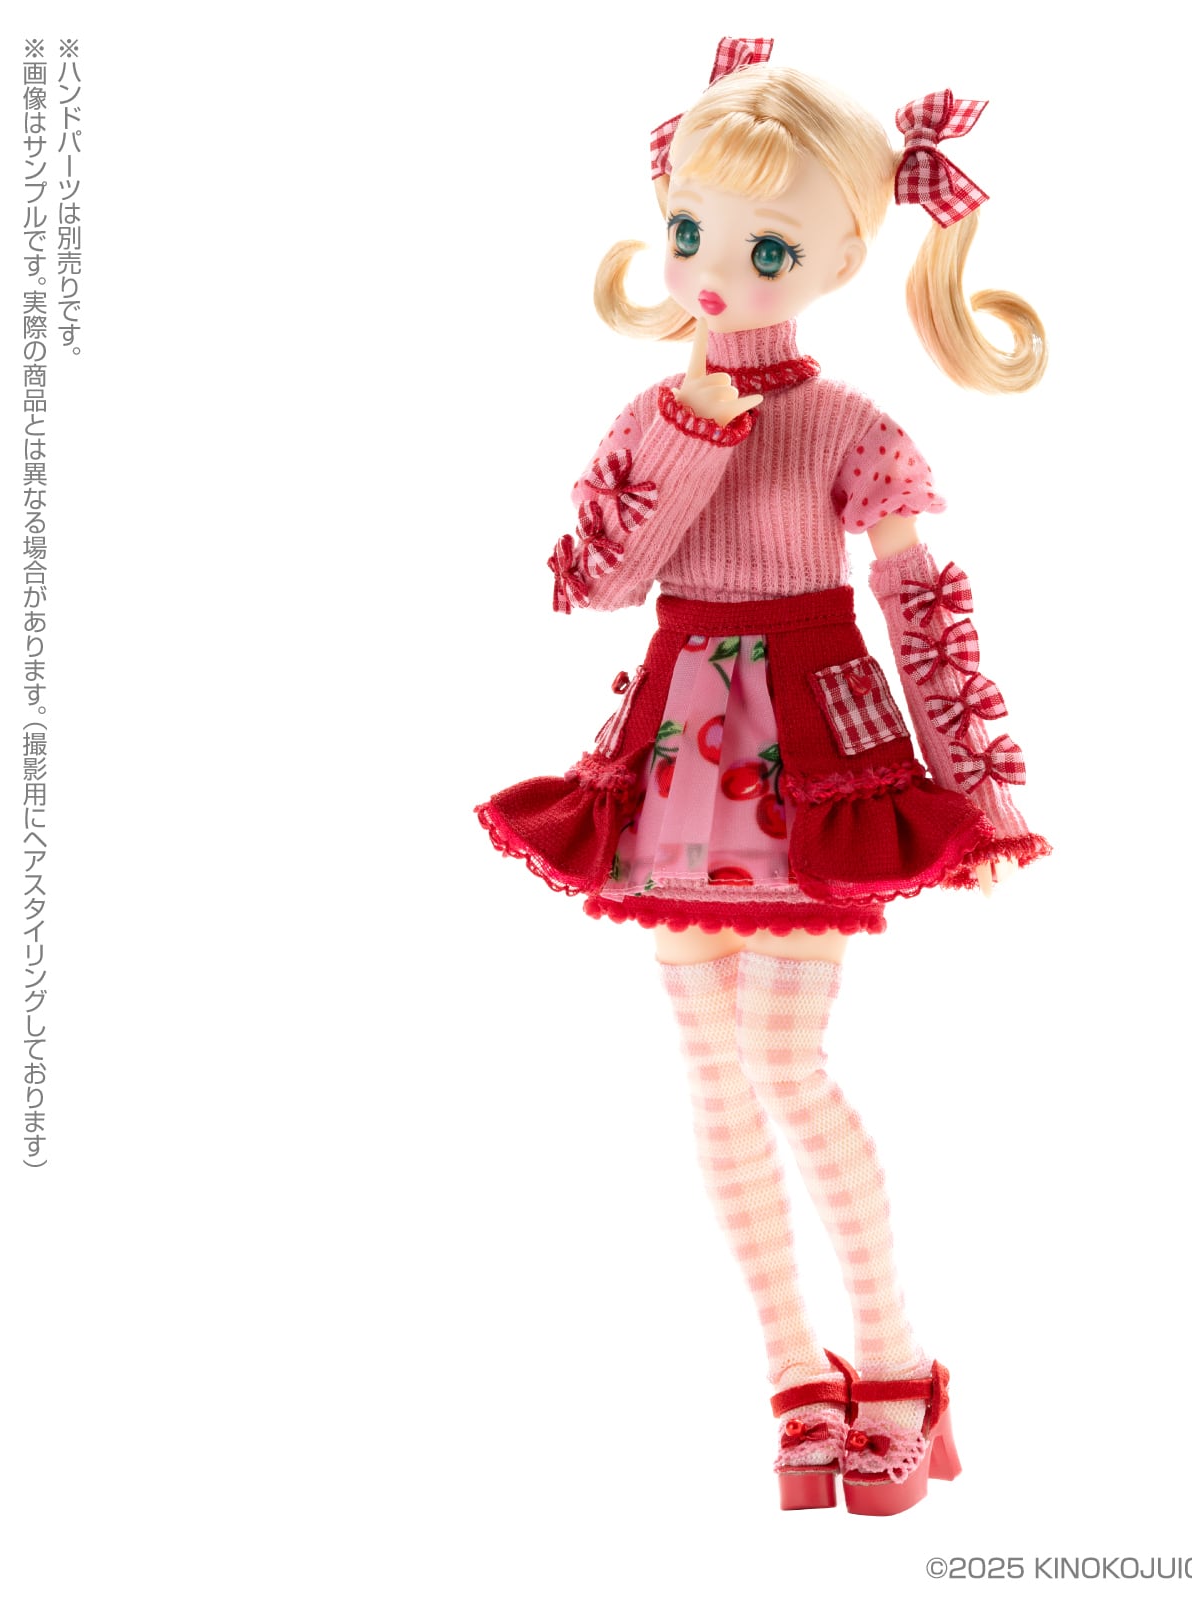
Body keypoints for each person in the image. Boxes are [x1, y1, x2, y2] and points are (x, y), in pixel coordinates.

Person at [475, 40, 1049, 1515]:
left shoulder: (856, 429)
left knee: (783, 1062)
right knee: (715, 1073)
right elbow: (598, 582)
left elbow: (925, 608)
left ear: (845, 259)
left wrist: (983, 793)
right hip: (675, 752)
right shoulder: (652, 416)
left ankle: (900, 1366)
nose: (715, 272)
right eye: (690, 232)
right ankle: (797, 1370)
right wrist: (687, 430)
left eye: (768, 249)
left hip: (814, 761)